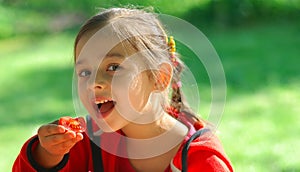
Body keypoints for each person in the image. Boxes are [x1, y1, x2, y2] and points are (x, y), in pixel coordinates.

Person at [13, 7, 233, 172]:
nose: (93, 83)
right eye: (84, 72)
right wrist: (47, 154)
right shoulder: (85, 144)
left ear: (159, 77)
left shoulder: (199, 157)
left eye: (113, 67)